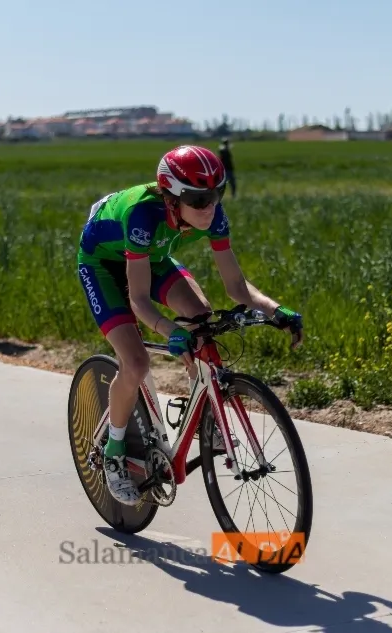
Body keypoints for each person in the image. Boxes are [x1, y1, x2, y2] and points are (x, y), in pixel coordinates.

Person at [76, 145, 303, 505]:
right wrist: (170, 331)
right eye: (198, 200)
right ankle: (113, 452)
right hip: (102, 264)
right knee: (136, 362)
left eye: (216, 195)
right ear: (171, 199)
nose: (208, 207)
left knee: (200, 316)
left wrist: (275, 310)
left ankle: (204, 410)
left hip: (151, 256)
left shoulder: (213, 216)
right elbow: (139, 301)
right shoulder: (143, 214)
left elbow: (236, 286)